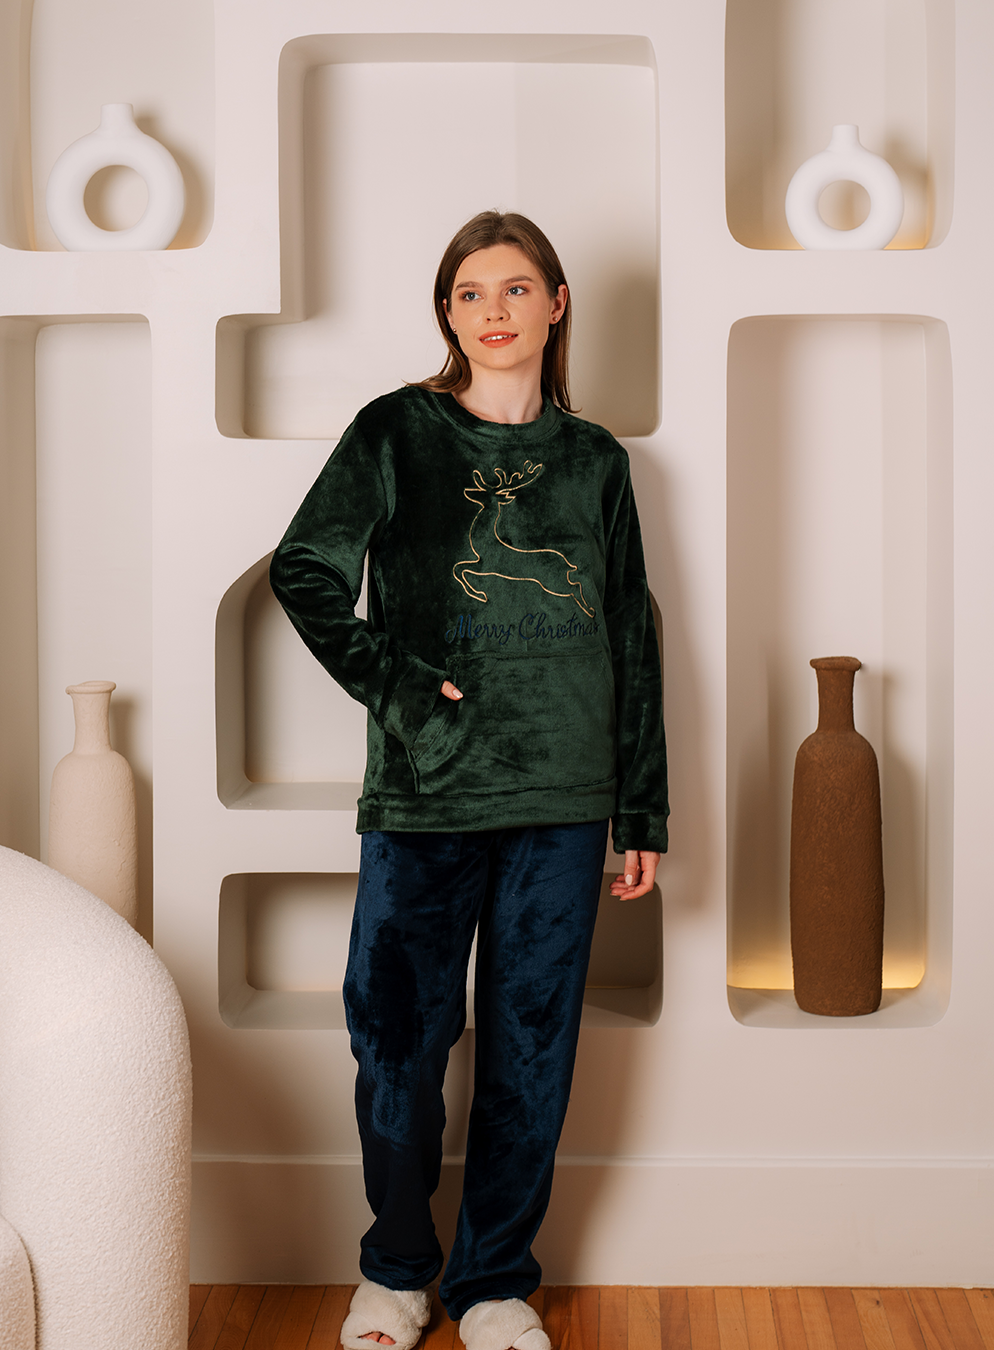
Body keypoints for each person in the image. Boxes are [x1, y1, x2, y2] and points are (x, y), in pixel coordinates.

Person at [270, 211, 667, 1350]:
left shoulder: (596, 461)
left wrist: (642, 805)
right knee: (398, 1039)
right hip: (429, 793)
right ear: (447, 313)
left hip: (566, 800)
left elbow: (630, 633)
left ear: (557, 303)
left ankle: (494, 1284)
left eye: (515, 288)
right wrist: (399, 689)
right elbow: (303, 570)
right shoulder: (396, 431)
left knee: (531, 1050)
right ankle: (395, 1270)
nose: (493, 311)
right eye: (468, 293)